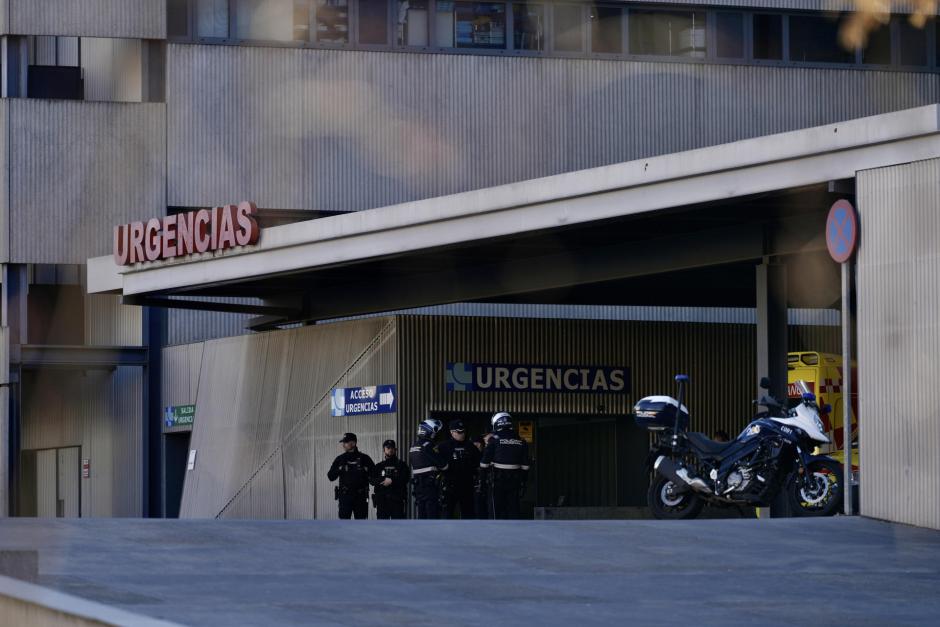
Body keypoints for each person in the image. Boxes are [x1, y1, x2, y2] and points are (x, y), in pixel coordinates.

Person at [479, 412, 530, 520]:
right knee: (513, 508)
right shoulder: (521, 440)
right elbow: (526, 465)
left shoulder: (494, 439)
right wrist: (523, 481)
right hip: (515, 480)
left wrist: (482, 483)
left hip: (497, 480)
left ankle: (495, 534)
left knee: (495, 510)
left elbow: (484, 464)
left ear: (496, 423)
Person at [437, 419, 481, 519]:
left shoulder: (470, 446)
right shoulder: (443, 447)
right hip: (449, 486)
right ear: (451, 432)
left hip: (467, 486)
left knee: (468, 514)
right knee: (447, 514)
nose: (462, 434)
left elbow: (478, 463)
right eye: (459, 432)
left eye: (463, 431)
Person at [327, 433, 375, 519]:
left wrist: (366, 470)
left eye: (345, 442)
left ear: (353, 443)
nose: (343, 445)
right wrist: (339, 469)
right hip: (345, 497)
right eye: (344, 442)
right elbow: (330, 476)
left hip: (360, 497)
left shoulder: (365, 458)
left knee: (361, 525)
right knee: (344, 525)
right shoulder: (340, 459)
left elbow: (374, 476)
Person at [408, 418, 448, 519]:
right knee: (432, 516)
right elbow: (444, 465)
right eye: (436, 432)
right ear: (430, 431)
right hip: (430, 487)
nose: (436, 434)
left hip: (418, 487)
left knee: (422, 515)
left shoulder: (413, 446)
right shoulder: (429, 446)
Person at [371, 439, 411, 519]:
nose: (390, 450)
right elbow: (371, 480)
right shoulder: (379, 466)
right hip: (382, 501)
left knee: (398, 527)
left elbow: (405, 478)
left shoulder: (402, 465)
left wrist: (392, 481)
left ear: (395, 450)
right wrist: (382, 480)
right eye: (388, 448)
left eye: (392, 448)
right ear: (384, 450)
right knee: (382, 527)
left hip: (397, 501)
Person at [471, 435, 489, 519]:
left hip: (485, 483)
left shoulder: (486, 453)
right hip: (475, 483)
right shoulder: (471, 454)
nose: (477, 446)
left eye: (478, 444)